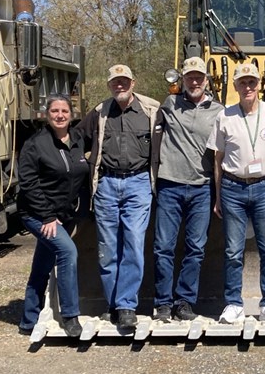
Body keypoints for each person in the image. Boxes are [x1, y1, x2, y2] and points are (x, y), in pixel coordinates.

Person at [207, 63, 265, 324]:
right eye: (242, 83)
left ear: (259, 85)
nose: (248, 87)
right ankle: (234, 303)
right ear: (234, 86)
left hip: (264, 187)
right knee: (233, 251)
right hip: (232, 188)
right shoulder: (225, 116)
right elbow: (217, 157)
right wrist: (219, 196)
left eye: (252, 82)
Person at [78, 64, 162, 329]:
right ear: (109, 85)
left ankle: (126, 305)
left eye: (124, 81)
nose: (120, 85)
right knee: (107, 249)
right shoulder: (100, 112)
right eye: (115, 82)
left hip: (138, 184)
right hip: (106, 184)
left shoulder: (152, 110)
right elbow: (76, 137)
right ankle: (112, 303)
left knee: (134, 244)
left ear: (133, 83)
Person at [152, 57, 224, 321]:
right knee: (163, 247)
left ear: (207, 80)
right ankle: (162, 302)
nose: (194, 81)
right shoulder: (169, 104)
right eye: (189, 77)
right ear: (182, 79)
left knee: (195, 248)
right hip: (170, 184)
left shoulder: (219, 111)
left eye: (199, 77)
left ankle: (183, 301)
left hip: (201, 188)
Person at [17, 94, 89, 337]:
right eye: (55, 111)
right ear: (47, 115)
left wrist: (82, 211)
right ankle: (70, 316)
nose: (60, 115)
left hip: (64, 215)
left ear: (72, 114)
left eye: (64, 111)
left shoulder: (78, 139)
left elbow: (83, 178)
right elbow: (28, 183)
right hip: (37, 214)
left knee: (42, 265)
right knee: (67, 252)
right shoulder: (36, 143)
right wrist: (46, 216)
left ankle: (28, 320)